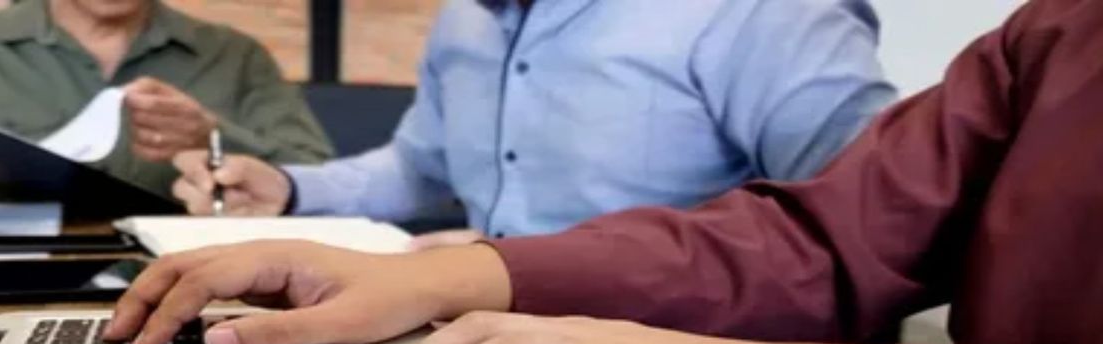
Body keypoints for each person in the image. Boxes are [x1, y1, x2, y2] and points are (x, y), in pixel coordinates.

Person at [106, 0, 1103, 344]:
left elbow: (832, 227)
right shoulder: (1058, 32)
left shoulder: (759, 13)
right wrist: (437, 270)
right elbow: (827, 228)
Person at [169, 0, 895, 241]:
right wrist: (291, 191)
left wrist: (532, 278)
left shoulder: (761, 13)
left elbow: (867, 230)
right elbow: (420, 169)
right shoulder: (464, 20)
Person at [0, 0, 333, 199]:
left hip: (190, 286)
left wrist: (214, 136)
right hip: (5, 282)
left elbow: (316, 179)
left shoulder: (235, 55)